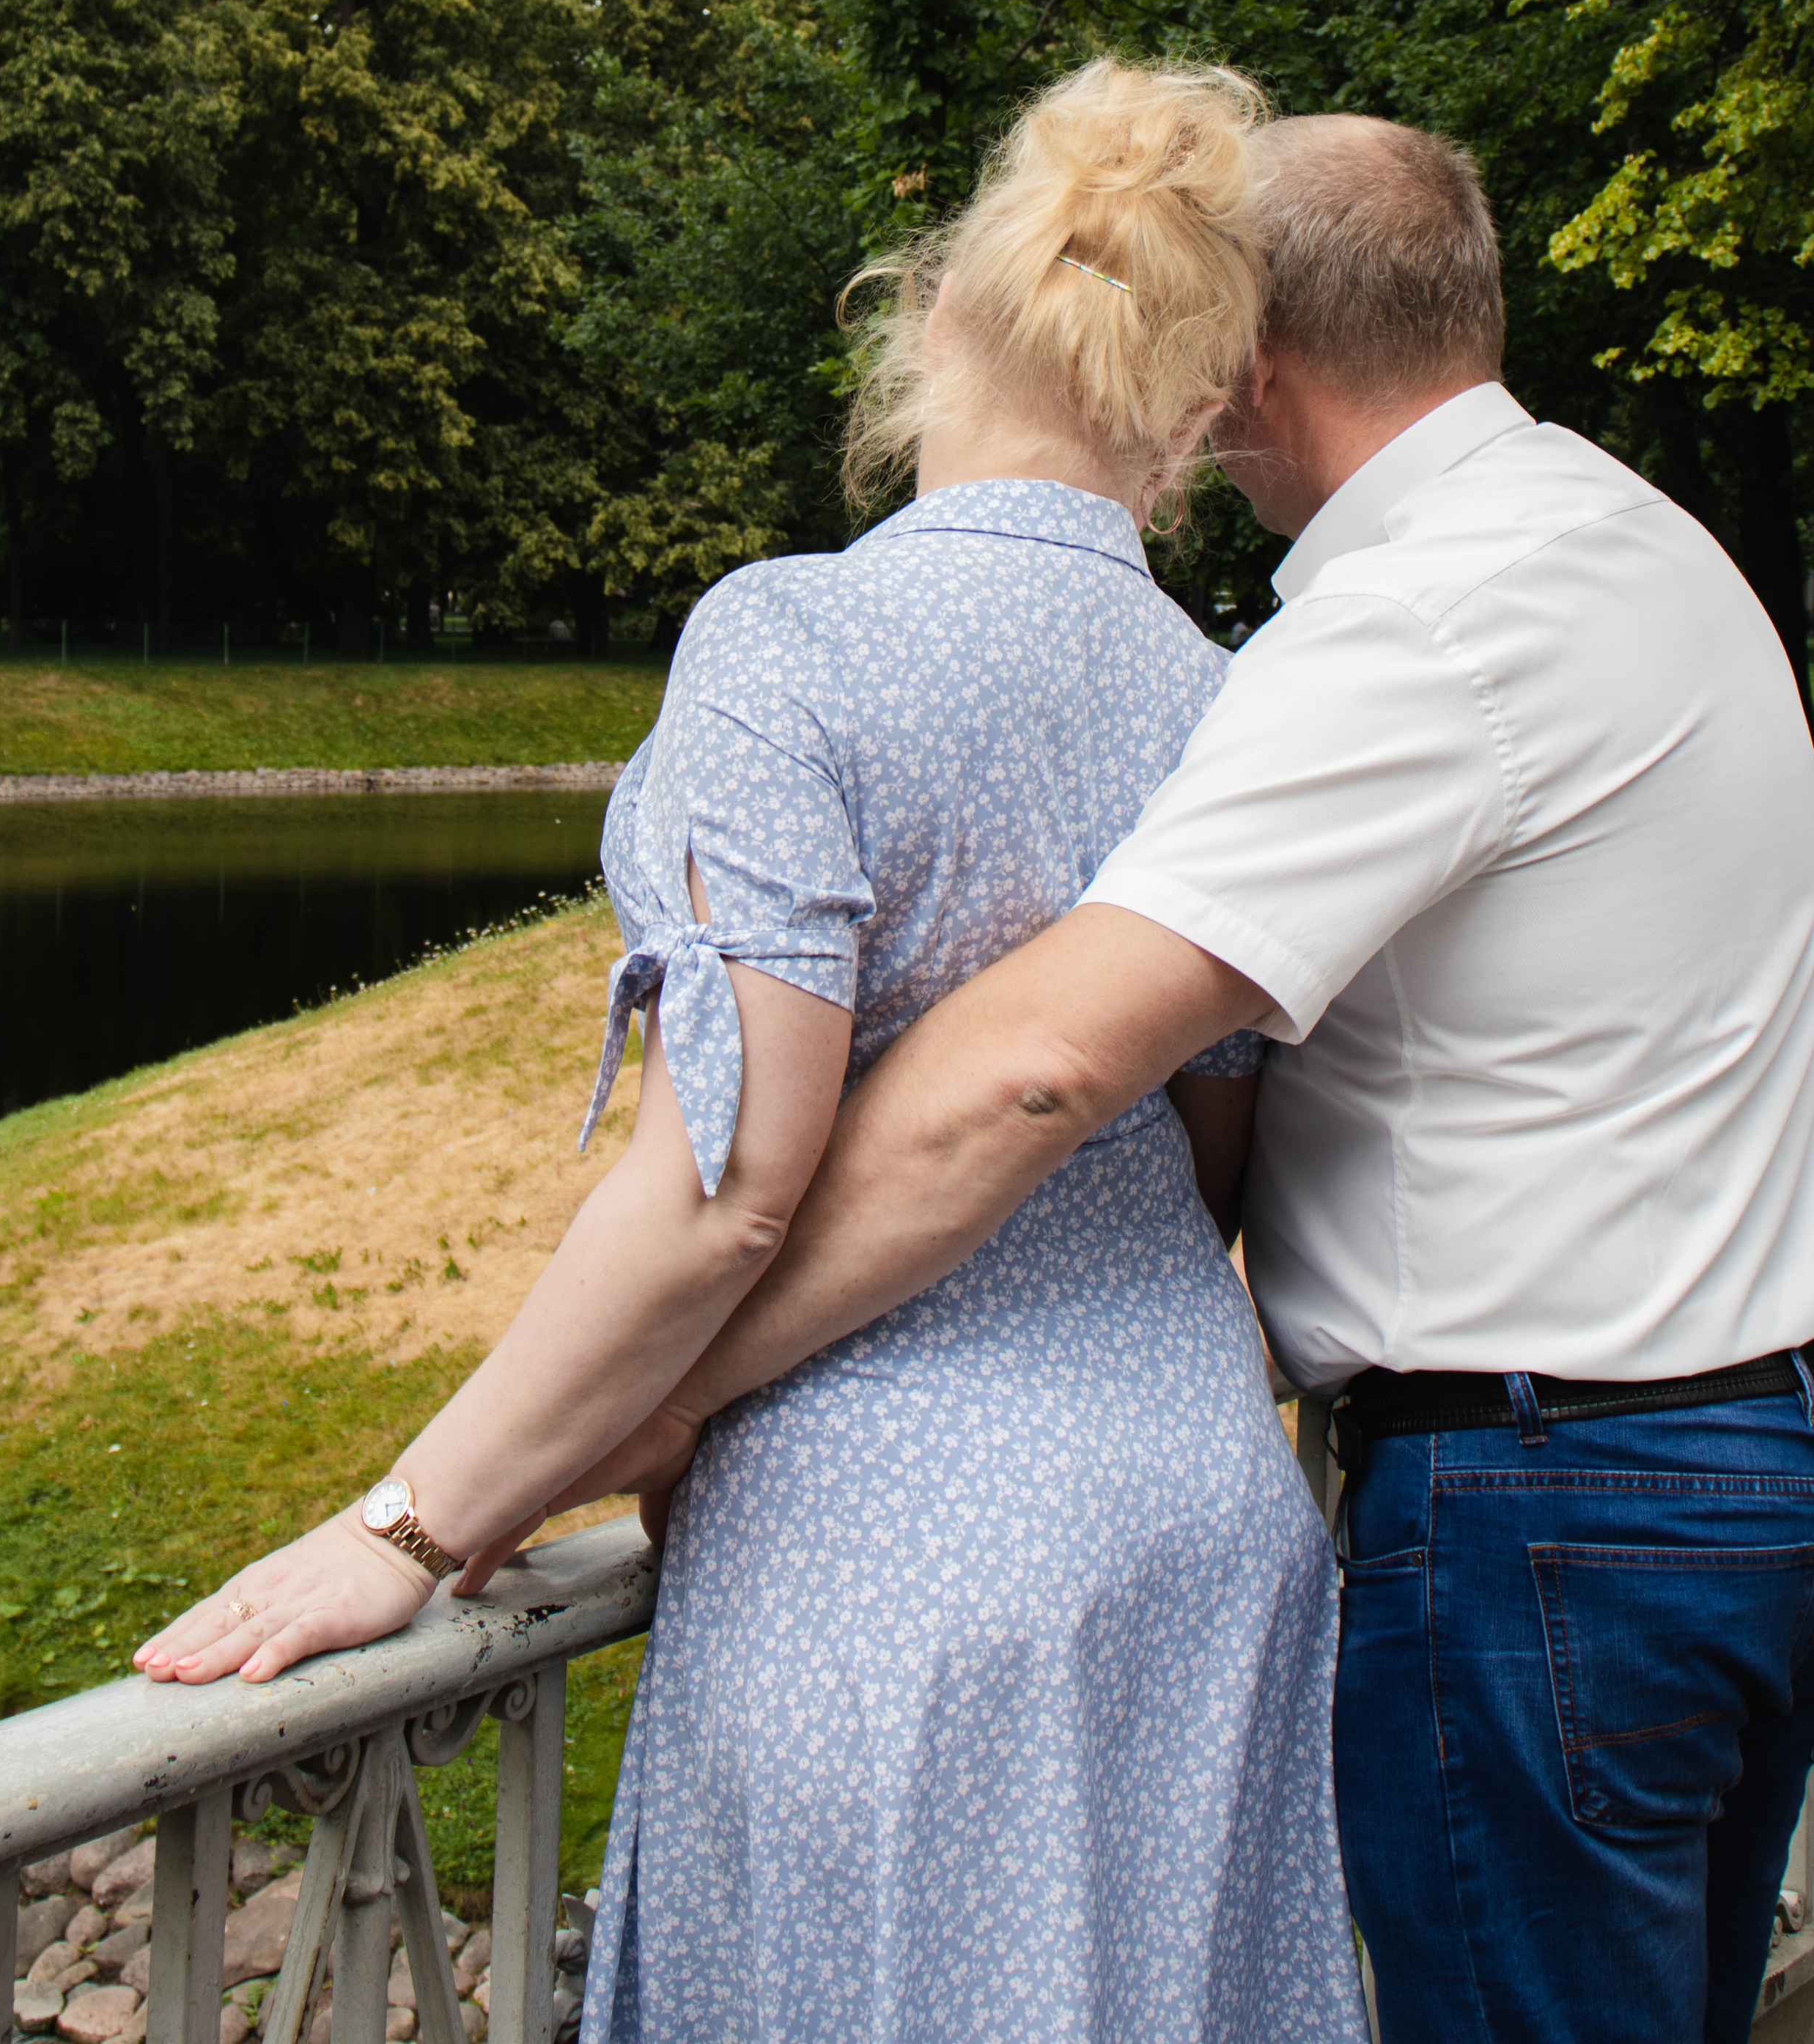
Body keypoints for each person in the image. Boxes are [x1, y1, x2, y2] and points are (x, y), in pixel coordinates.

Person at [136, 61, 1370, 2044]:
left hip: (896, 1585)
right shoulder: (1238, 703)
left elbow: (726, 1193)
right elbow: (1215, 1160)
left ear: (928, 323)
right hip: (1208, 1546)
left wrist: (410, 1525)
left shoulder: (794, 643)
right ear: (1194, 416)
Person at [571, 114, 1814, 2044]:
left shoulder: (1421, 624)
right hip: (1731, 1472)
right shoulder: (1647, 547)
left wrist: (669, 1381)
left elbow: (1043, 1066)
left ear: (1237, 368)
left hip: (1539, 1511)